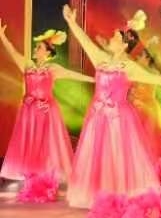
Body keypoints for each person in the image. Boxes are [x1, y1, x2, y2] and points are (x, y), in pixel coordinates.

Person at [62, 6, 161, 209]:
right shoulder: (101, 60)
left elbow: (152, 78)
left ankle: (120, 193)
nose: (111, 38)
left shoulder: (130, 67)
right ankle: (99, 194)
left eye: (115, 37)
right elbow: (85, 41)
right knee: (98, 156)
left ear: (124, 45)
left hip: (118, 118)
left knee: (117, 156)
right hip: (98, 116)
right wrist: (71, 22)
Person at [0, 23, 93, 185]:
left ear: (48, 52)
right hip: (29, 111)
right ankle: (30, 175)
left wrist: (94, 79)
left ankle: (45, 176)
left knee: (46, 144)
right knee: (29, 141)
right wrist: (2, 36)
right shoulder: (28, 65)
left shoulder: (52, 68)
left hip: (46, 110)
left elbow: (73, 75)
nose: (36, 49)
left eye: (39, 47)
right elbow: (13, 52)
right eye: (36, 47)